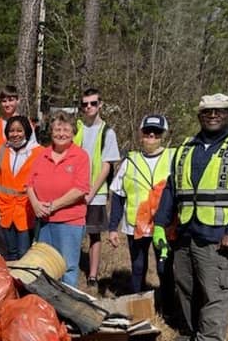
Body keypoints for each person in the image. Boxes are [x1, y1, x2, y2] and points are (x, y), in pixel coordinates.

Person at [154, 93, 228, 341]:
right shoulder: (186, 148)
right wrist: (160, 223)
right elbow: (171, 188)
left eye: (219, 111)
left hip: (219, 236)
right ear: (199, 115)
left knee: (215, 292)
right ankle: (195, 332)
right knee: (187, 287)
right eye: (207, 111)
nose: (213, 115)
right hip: (186, 233)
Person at [107, 114, 176, 306]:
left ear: (163, 135)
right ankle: (138, 303)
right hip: (135, 225)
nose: (151, 136)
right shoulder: (130, 160)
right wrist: (113, 227)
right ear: (141, 135)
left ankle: (168, 306)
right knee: (138, 267)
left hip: (164, 225)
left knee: (165, 267)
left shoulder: (173, 157)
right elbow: (119, 196)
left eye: (156, 132)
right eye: (147, 132)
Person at [27, 115, 91, 286]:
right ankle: (46, 305)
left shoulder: (81, 156)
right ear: (51, 132)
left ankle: (66, 307)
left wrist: (54, 205)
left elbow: (80, 189)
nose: (61, 134)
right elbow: (29, 184)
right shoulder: (42, 155)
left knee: (67, 266)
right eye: (57, 129)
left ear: (73, 133)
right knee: (44, 265)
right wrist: (35, 204)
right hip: (44, 220)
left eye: (66, 130)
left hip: (70, 221)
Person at [75, 87, 120, 286]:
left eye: (93, 103)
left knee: (94, 233)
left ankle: (93, 275)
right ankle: (70, 266)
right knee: (74, 231)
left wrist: (91, 193)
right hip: (75, 191)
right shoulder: (77, 129)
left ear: (100, 105)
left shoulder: (107, 132)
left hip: (96, 193)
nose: (89, 107)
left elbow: (106, 166)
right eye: (85, 104)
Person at [0, 116, 39, 261]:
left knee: (24, 252)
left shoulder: (38, 152)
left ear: (26, 132)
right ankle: (11, 281)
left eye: (19, 130)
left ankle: (23, 282)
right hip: (5, 207)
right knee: (9, 252)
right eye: (11, 131)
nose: (15, 134)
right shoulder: (0, 151)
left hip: (25, 208)